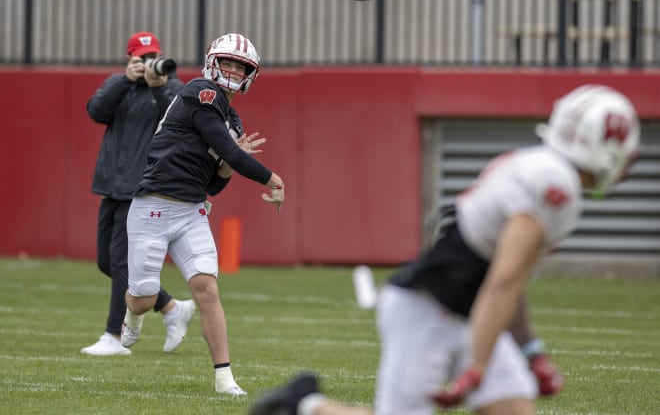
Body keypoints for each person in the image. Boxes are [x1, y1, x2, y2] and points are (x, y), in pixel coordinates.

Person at [249, 85, 640, 415]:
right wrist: (478, 368)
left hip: (468, 312)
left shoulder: (539, 166)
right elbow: (503, 280)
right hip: (427, 310)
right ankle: (305, 405)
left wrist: (531, 351)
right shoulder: (555, 186)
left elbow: (507, 276)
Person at [121, 33, 285, 395]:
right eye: (226, 62)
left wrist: (227, 164)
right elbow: (229, 149)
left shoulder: (234, 120)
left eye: (239, 66)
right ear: (213, 62)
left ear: (249, 74)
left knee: (207, 289)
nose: (231, 69)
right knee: (145, 297)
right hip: (153, 205)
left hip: (191, 210)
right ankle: (132, 313)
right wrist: (270, 177)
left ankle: (224, 377)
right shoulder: (200, 91)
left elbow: (215, 185)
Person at [82, 31, 195, 357]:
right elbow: (95, 110)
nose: (147, 64)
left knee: (121, 262)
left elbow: (175, 112)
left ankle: (114, 337)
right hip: (110, 186)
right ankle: (172, 308)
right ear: (130, 59)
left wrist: (156, 82)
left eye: (152, 57)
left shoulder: (171, 86)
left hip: (141, 188)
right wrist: (123, 81)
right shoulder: (119, 83)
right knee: (108, 262)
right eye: (141, 58)